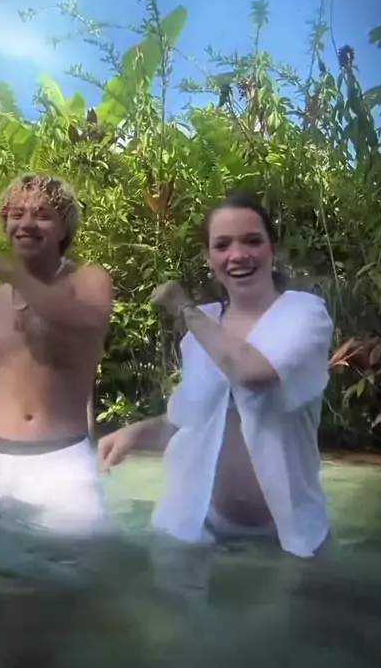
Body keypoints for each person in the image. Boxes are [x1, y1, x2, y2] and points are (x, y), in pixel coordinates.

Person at [98, 191, 333, 558]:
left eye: (252, 241)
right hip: (202, 527)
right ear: (209, 258)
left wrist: (183, 308)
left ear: (272, 249)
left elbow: (253, 373)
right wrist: (137, 432)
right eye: (222, 245)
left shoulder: (305, 314)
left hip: (288, 537)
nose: (237, 255)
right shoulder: (202, 326)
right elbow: (193, 424)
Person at [0, 173, 113, 537]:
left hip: (60, 466)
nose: (26, 224)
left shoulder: (88, 281)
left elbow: (85, 320)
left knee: (74, 559)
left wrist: (9, 272)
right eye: (16, 215)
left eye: (42, 215)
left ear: (63, 228)